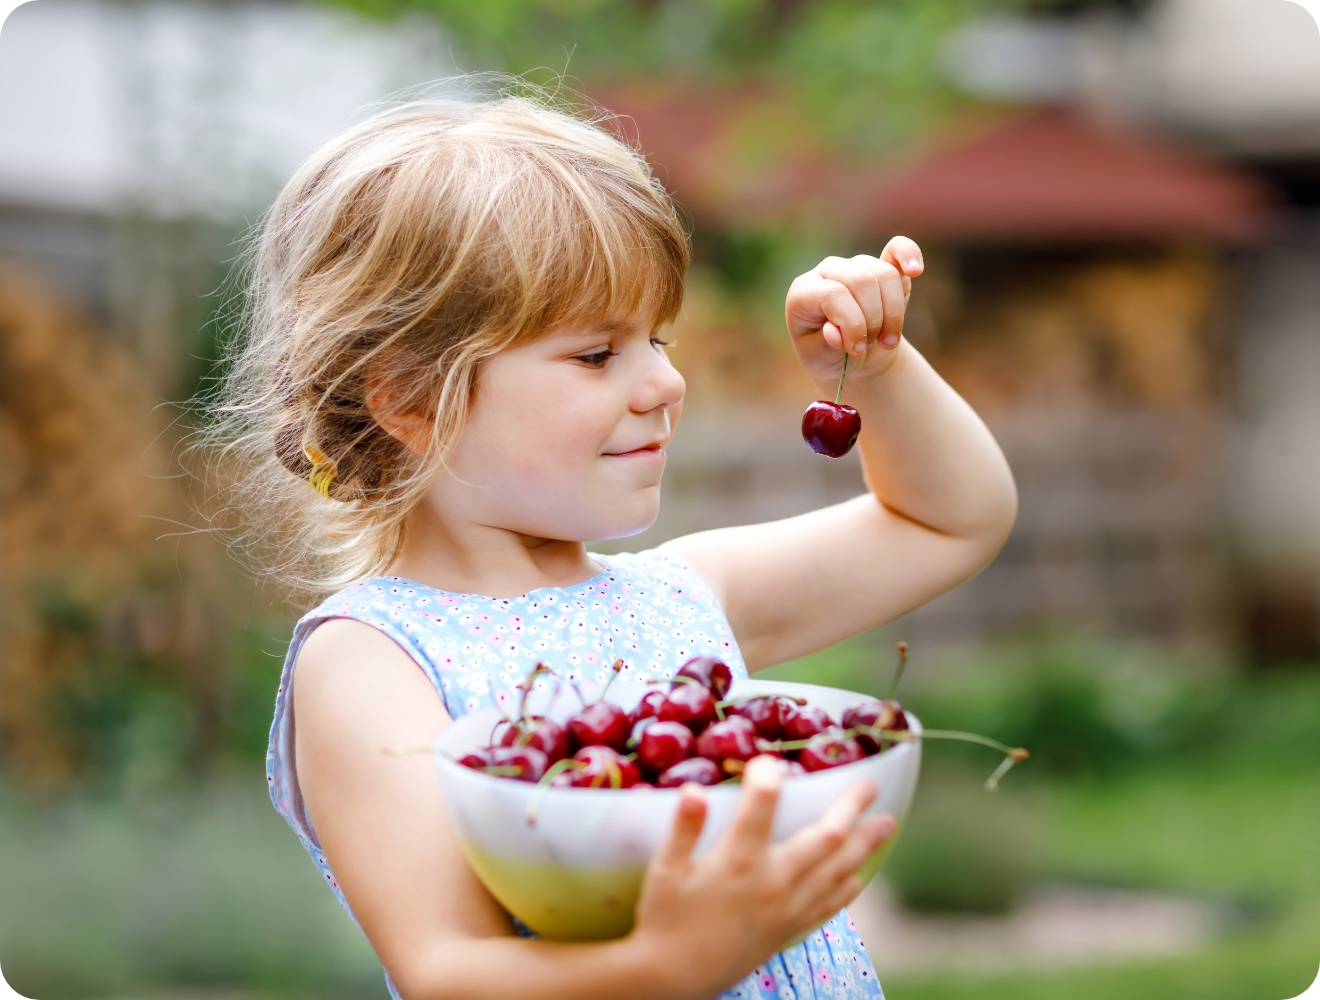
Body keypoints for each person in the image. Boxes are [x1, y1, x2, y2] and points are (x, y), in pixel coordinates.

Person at [209, 82, 1017, 1000]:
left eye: (658, 338)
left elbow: (951, 521)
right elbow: (447, 968)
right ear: (407, 400)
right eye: (597, 354)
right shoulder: (372, 662)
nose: (666, 383)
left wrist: (877, 371)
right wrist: (671, 965)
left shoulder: (681, 596)